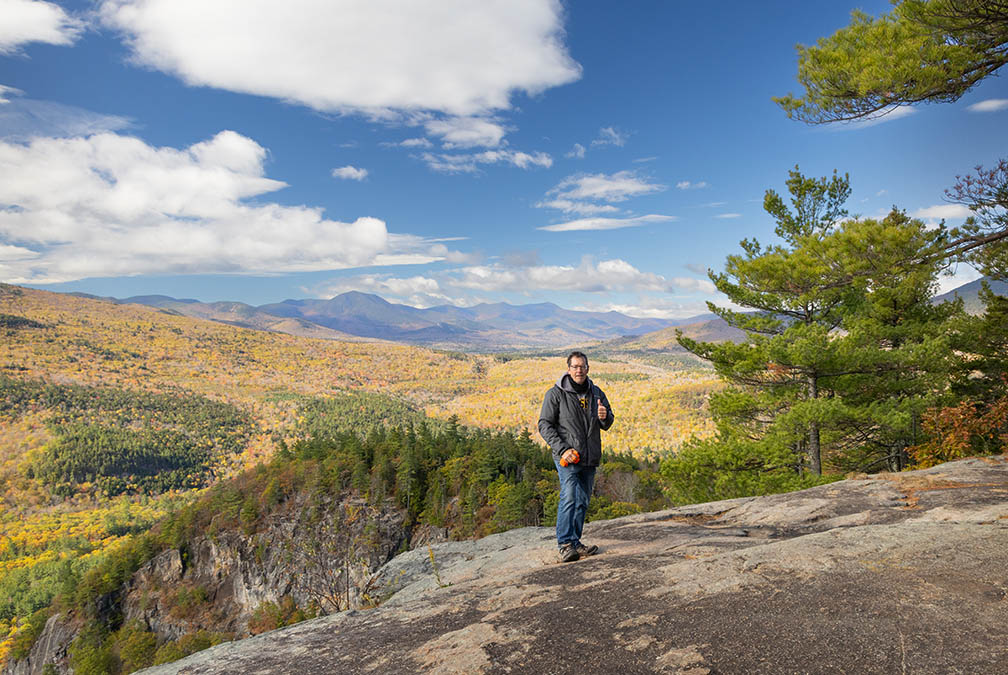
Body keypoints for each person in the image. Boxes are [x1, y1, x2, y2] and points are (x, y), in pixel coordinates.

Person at [538, 351, 614, 563]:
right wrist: (563, 450)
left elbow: (607, 422)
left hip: (589, 456)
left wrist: (605, 417)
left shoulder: (596, 393)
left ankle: (575, 541)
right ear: (568, 369)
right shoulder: (555, 394)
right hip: (568, 457)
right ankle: (564, 544)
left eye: (582, 366)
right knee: (570, 496)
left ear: (588, 368)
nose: (579, 370)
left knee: (582, 500)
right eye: (575, 367)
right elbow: (544, 424)